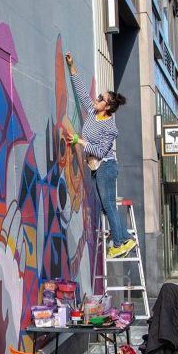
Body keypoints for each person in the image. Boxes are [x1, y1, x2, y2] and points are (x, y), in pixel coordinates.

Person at [64, 51, 135, 258]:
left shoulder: (110, 127)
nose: (97, 98)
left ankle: (120, 242)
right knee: (106, 206)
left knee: (109, 205)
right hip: (97, 167)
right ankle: (125, 239)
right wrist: (72, 65)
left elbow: (101, 151)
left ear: (108, 106)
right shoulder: (94, 112)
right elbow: (81, 92)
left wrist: (79, 141)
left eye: (101, 98)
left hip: (106, 166)